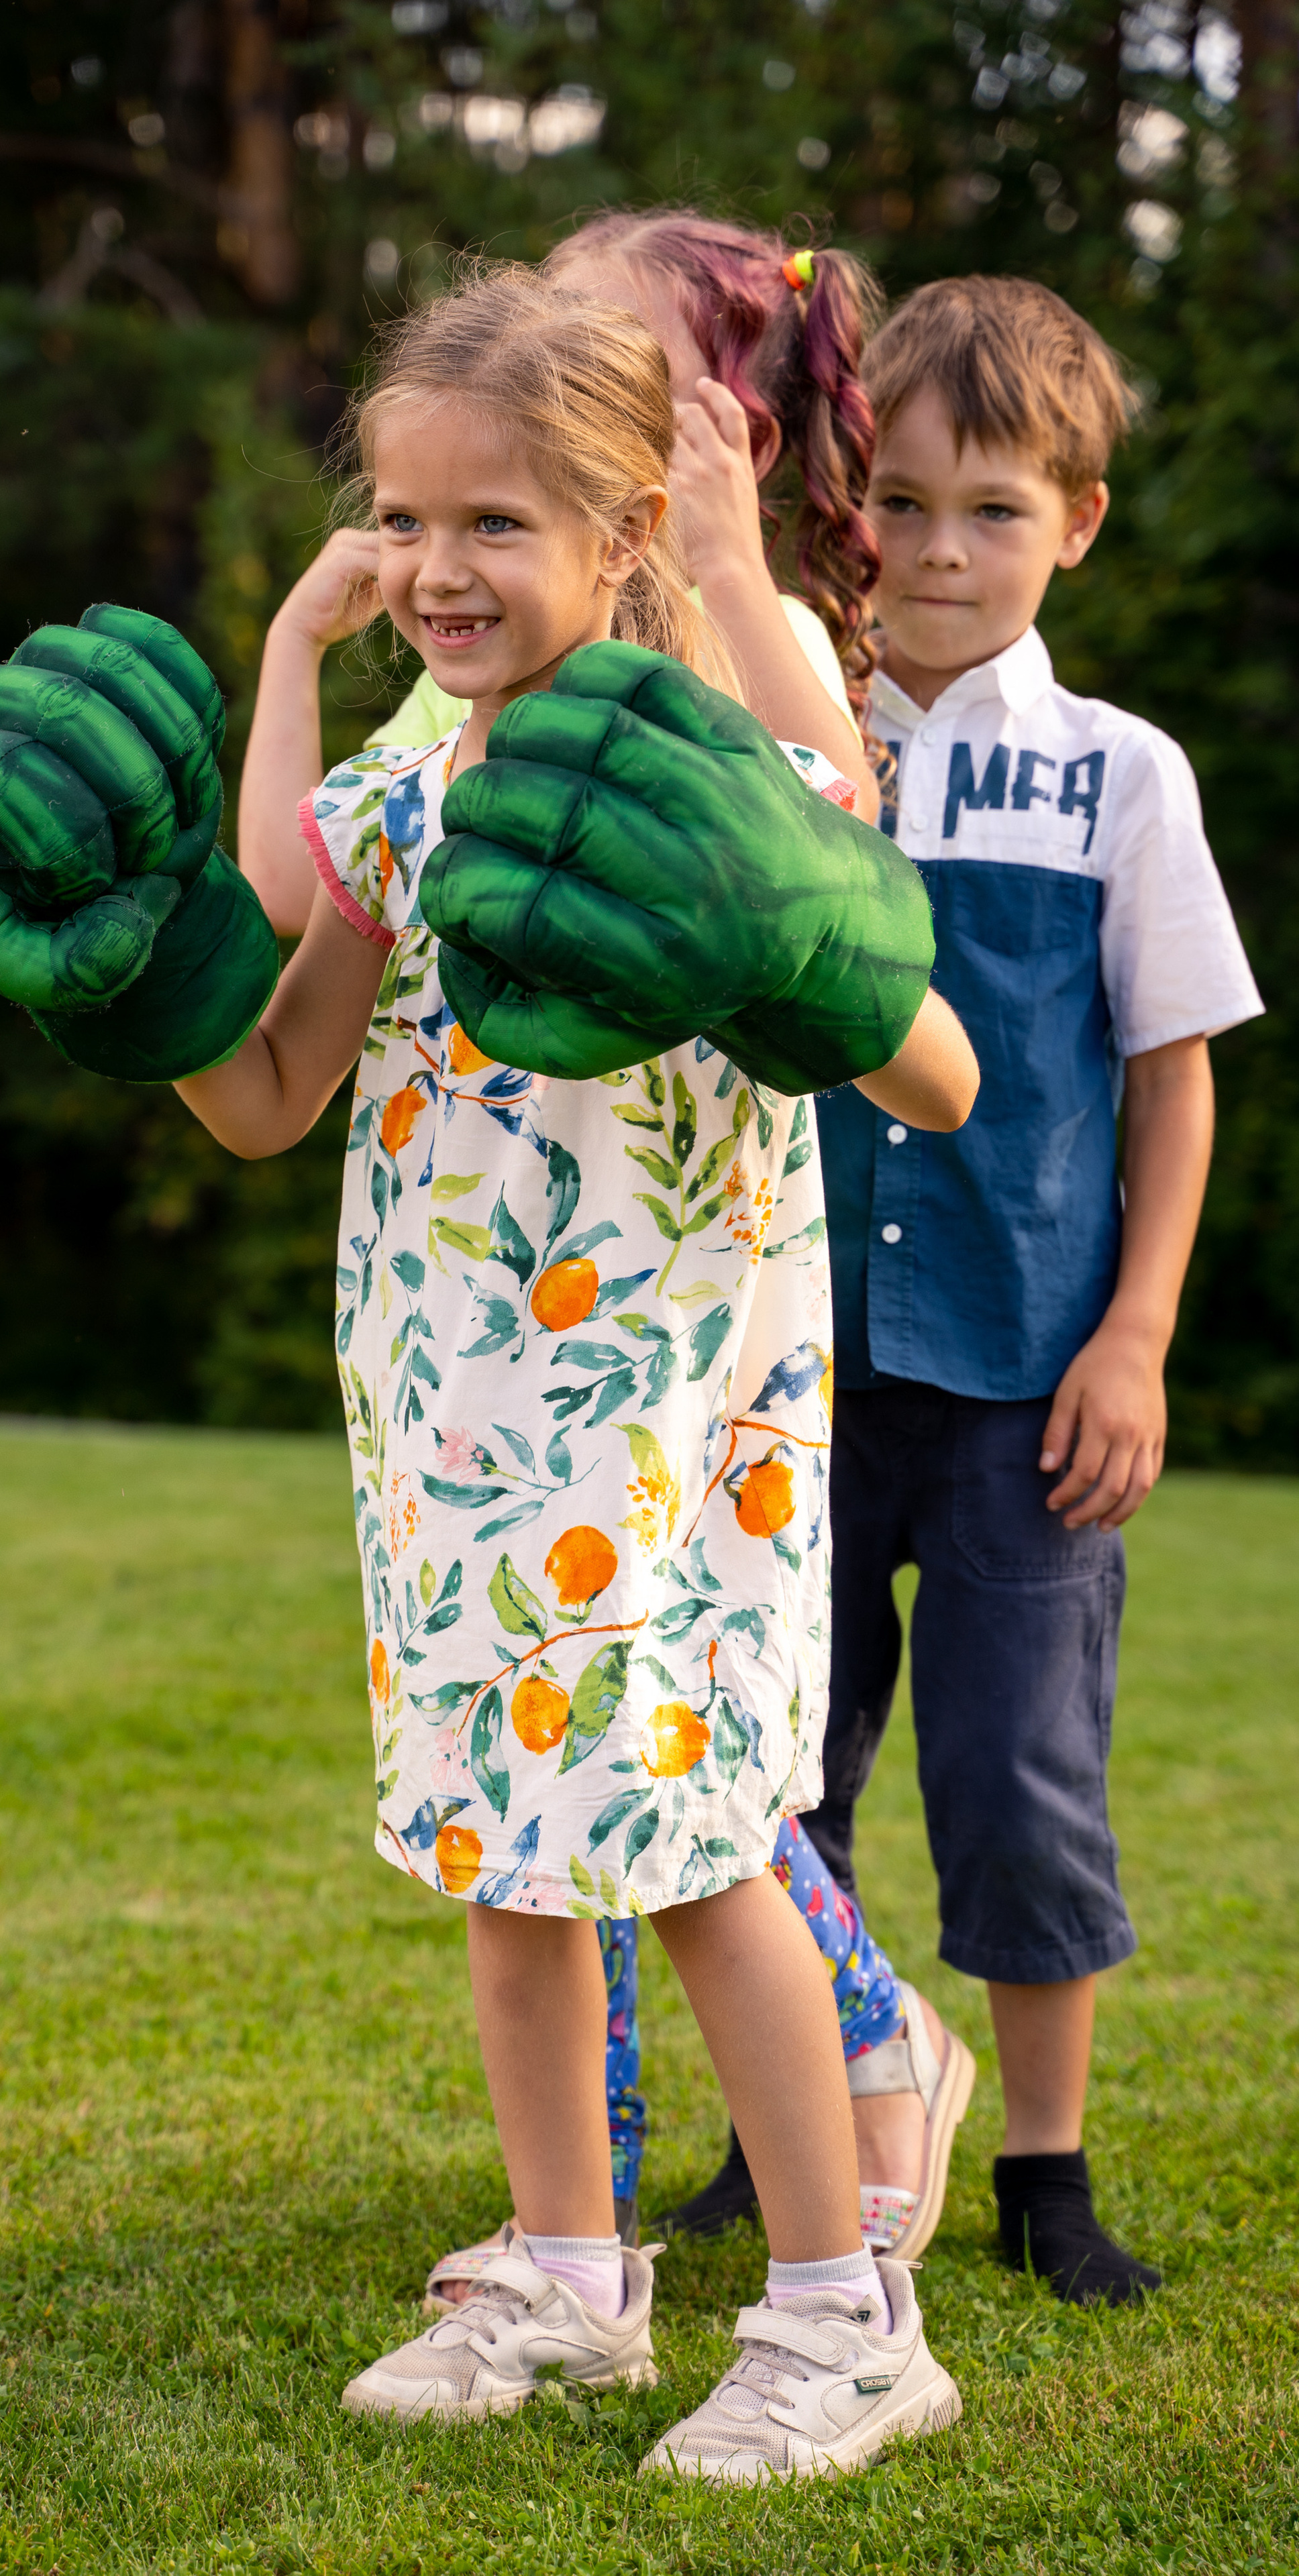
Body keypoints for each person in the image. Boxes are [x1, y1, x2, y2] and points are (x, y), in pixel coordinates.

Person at [186, 257, 978, 2478]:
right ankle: (566, 2278)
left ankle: (844, 2320)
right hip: (445, 1413)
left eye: (497, 522)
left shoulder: (725, 722)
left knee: (706, 1842)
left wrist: (734, 637)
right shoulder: (406, 773)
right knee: (510, 1861)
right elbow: (262, 1078)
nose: (437, 568)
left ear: (624, 523)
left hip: (668, 1413)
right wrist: (279, 665)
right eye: (404, 517)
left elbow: (902, 1017)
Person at [805, 274, 1263, 2305]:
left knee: (1019, 1791)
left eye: (992, 509)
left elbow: (1174, 1082)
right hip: (782, 1378)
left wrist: (1139, 1338)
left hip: (1029, 1384)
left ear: (1077, 518)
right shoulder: (785, 750)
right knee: (768, 1776)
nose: (935, 552)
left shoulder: (1118, 775)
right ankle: (798, 2132)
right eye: (896, 503)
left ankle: (1043, 2178)